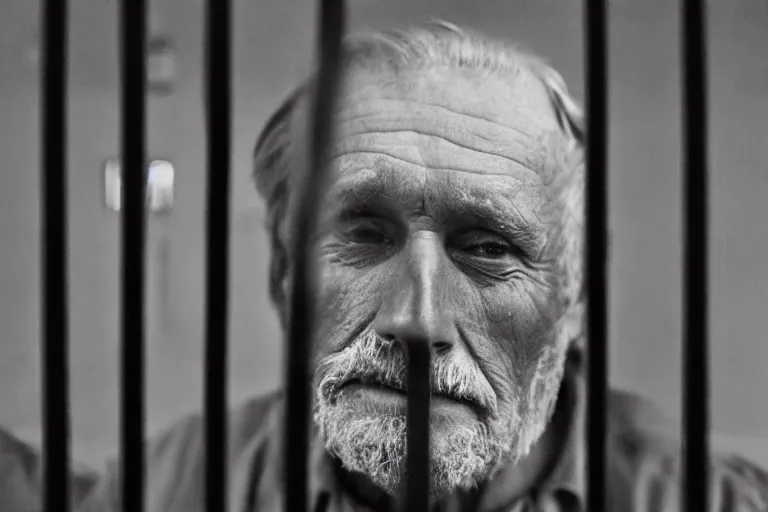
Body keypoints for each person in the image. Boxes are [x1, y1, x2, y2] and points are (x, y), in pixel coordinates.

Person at [4, 22, 768, 512]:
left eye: (488, 247)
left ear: (575, 299)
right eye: (364, 235)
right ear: (281, 276)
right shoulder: (188, 480)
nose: (417, 317)